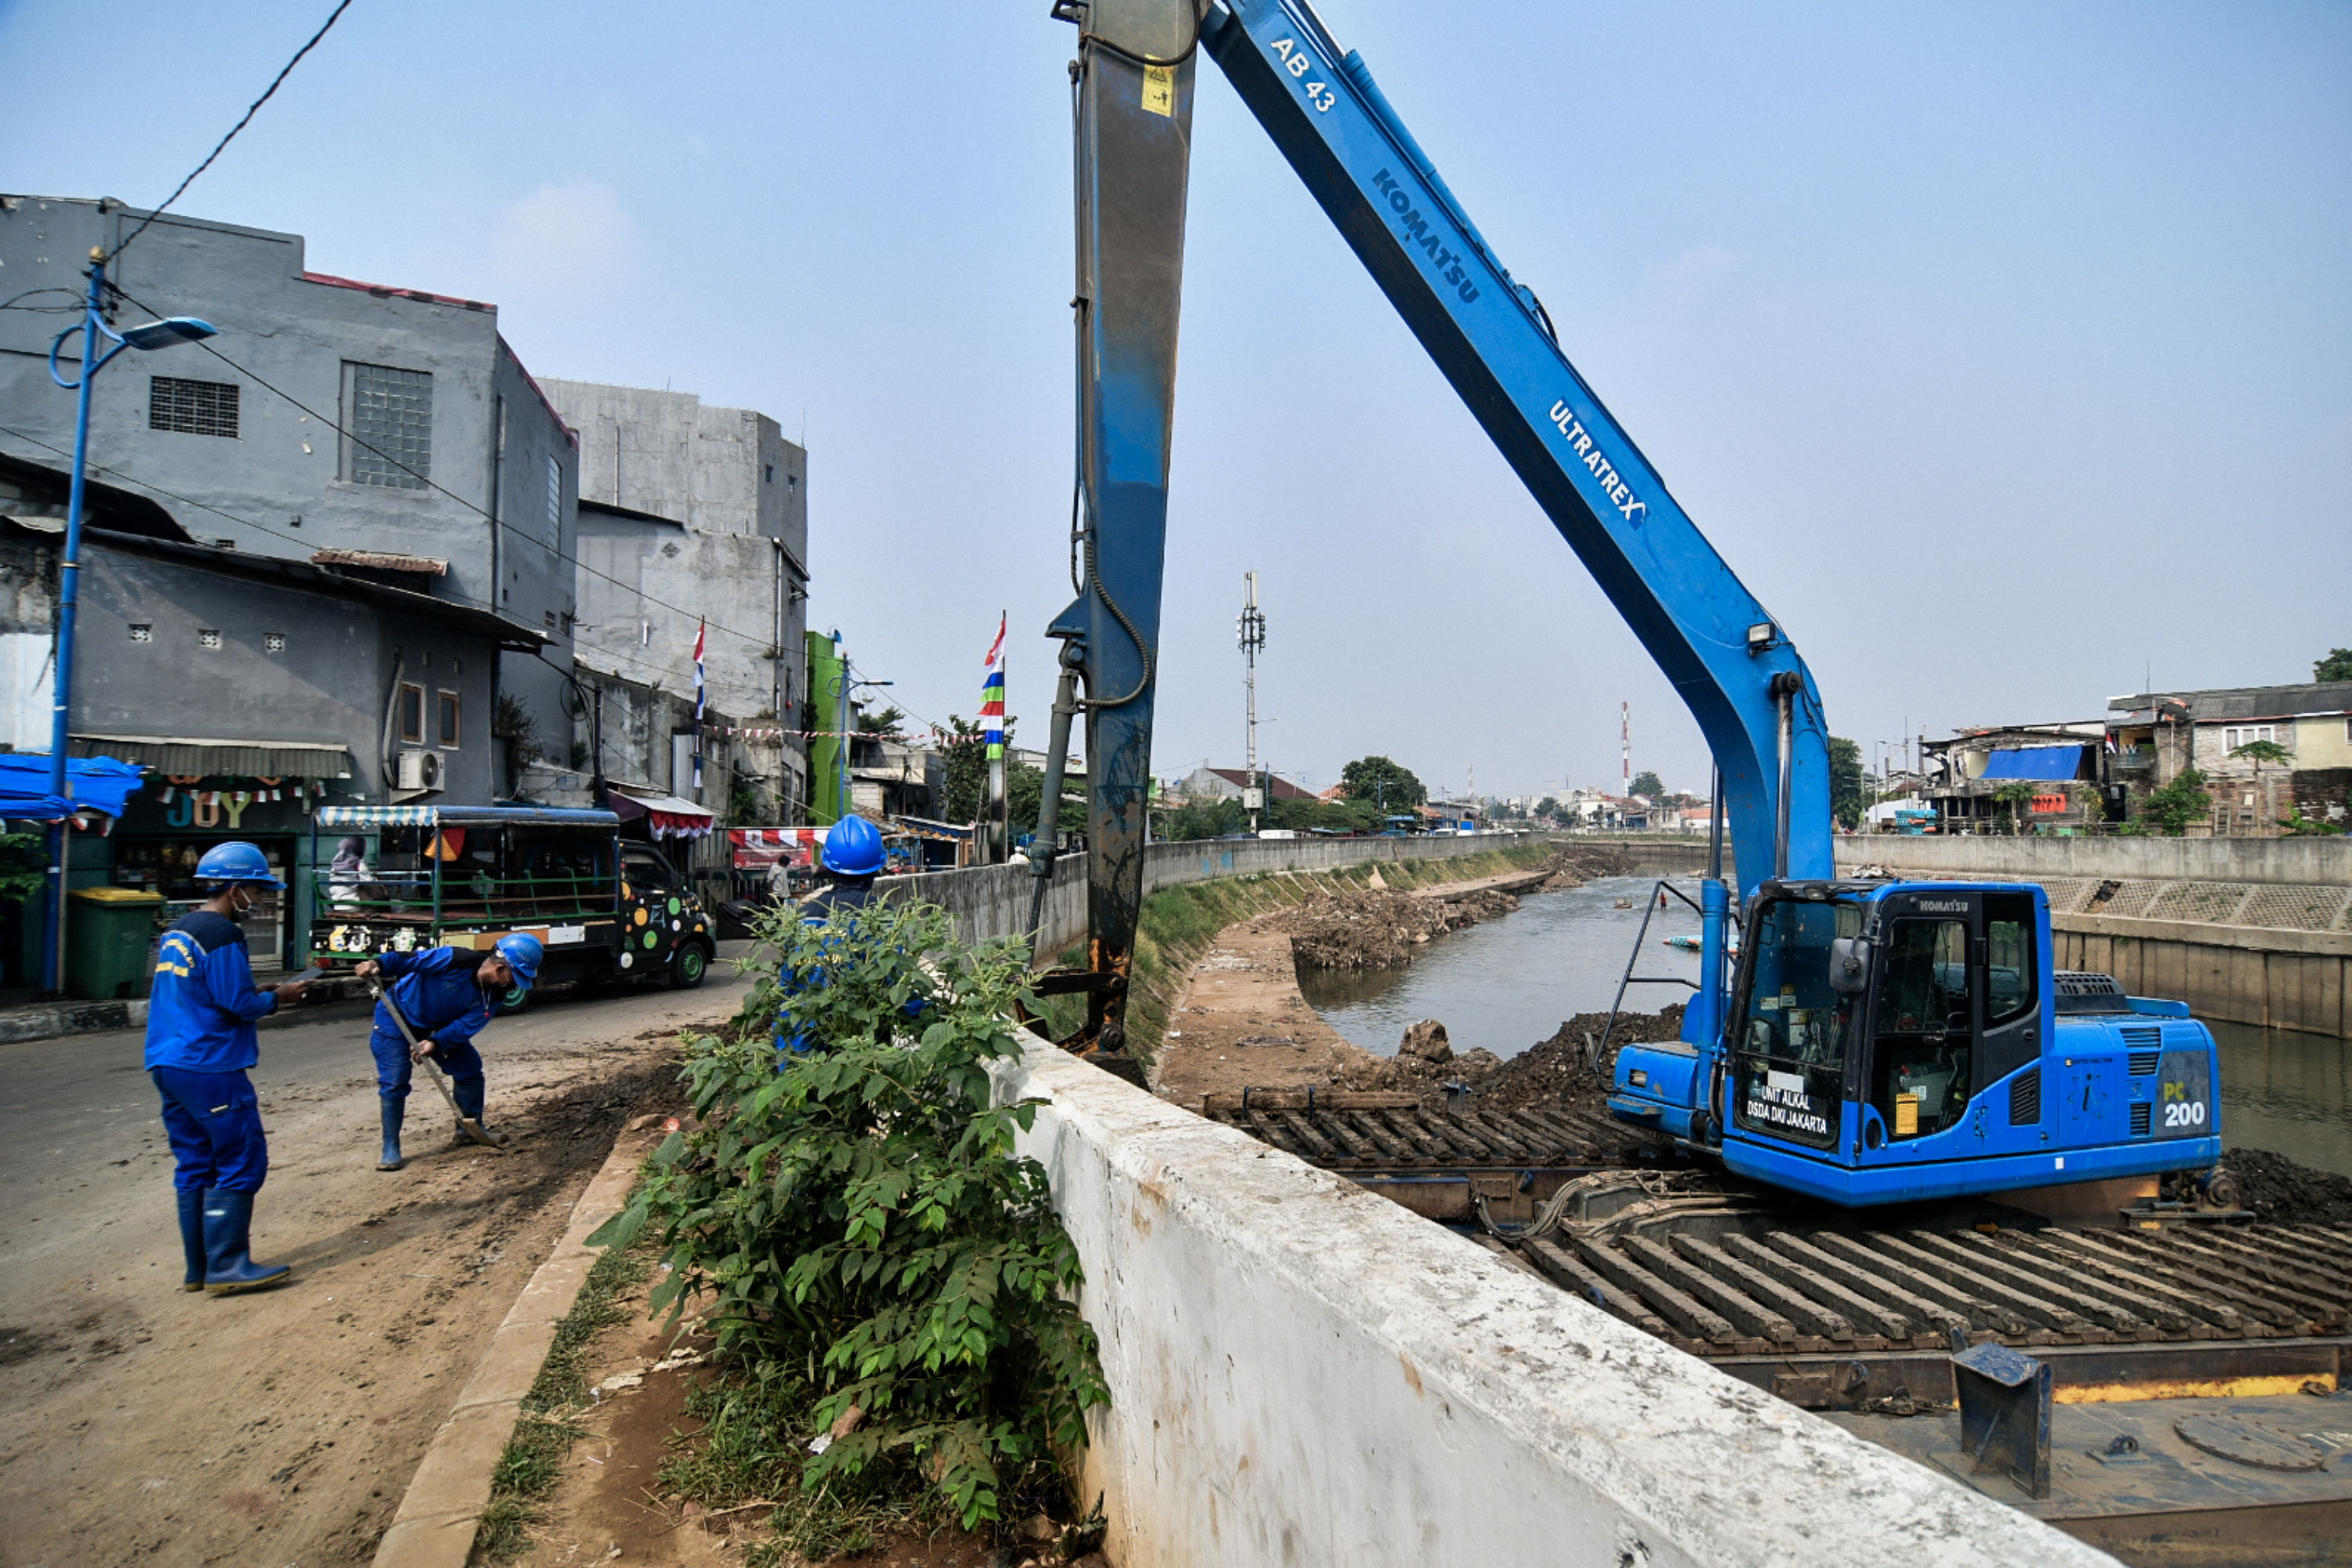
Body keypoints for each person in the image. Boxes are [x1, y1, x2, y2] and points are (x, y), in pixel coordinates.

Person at [145, 841, 310, 1295]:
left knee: (195, 1164)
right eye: (256, 893)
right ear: (235, 889)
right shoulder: (223, 935)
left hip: (168, 1062)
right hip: (210, 1066)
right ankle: (229, 1264)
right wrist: (279, 997)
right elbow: (238, 1005)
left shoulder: (180, 929)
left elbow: (201, 990)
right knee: (241, 1159)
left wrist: (259, 988)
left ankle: (197, 1269)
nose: (258, 903)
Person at [354, 931, 542, 1170]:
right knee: (395, 1080)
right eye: (515, 977)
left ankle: (469, 1131)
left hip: (439, 1026)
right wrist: (376, 964)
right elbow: (411, 960)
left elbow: (467, 1025)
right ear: (501, 969)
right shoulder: (455, 959)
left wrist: (436, 1043)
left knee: (469, 1070)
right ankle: (390, 1146)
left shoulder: (497, 993)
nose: (515, 984)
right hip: (397, 1015)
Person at [777, 816, 887, 1058]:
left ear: (829, 867)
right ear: (877, 868)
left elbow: (786, 989)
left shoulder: (803, 916)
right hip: (861, 1053)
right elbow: (894, 978)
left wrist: (785, 1058)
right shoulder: (880, 917)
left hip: (805, 1048)